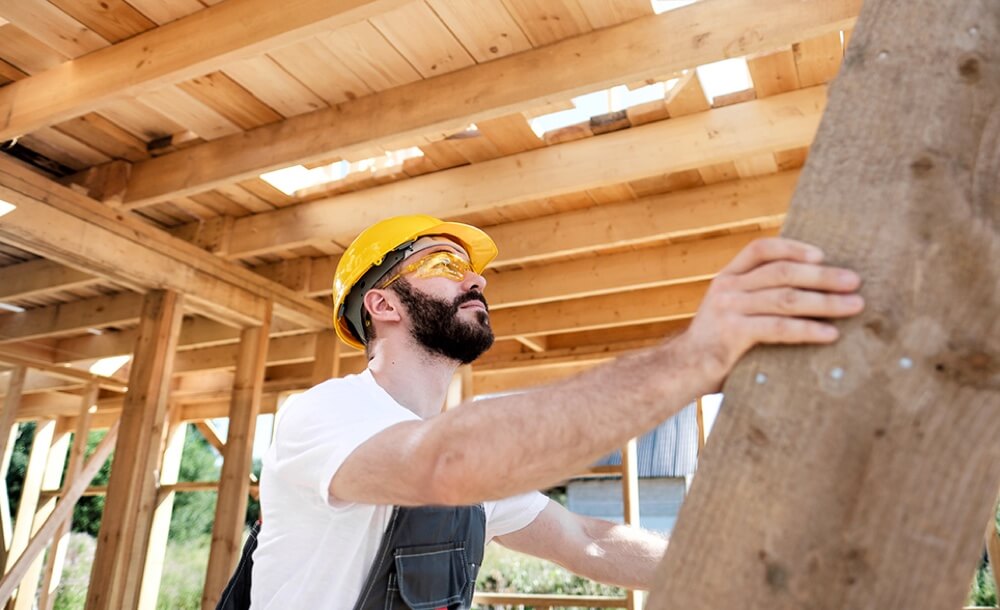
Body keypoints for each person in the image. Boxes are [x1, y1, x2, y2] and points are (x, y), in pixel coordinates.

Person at [240, 214, 864, 609]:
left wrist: (745, 574)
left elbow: (587, 543)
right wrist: (692, 358)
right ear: (383, 305)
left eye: (475, 271)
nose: (477, 281)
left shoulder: (460, 456)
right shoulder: (322, 415)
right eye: (447, 266)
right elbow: (446, 464)